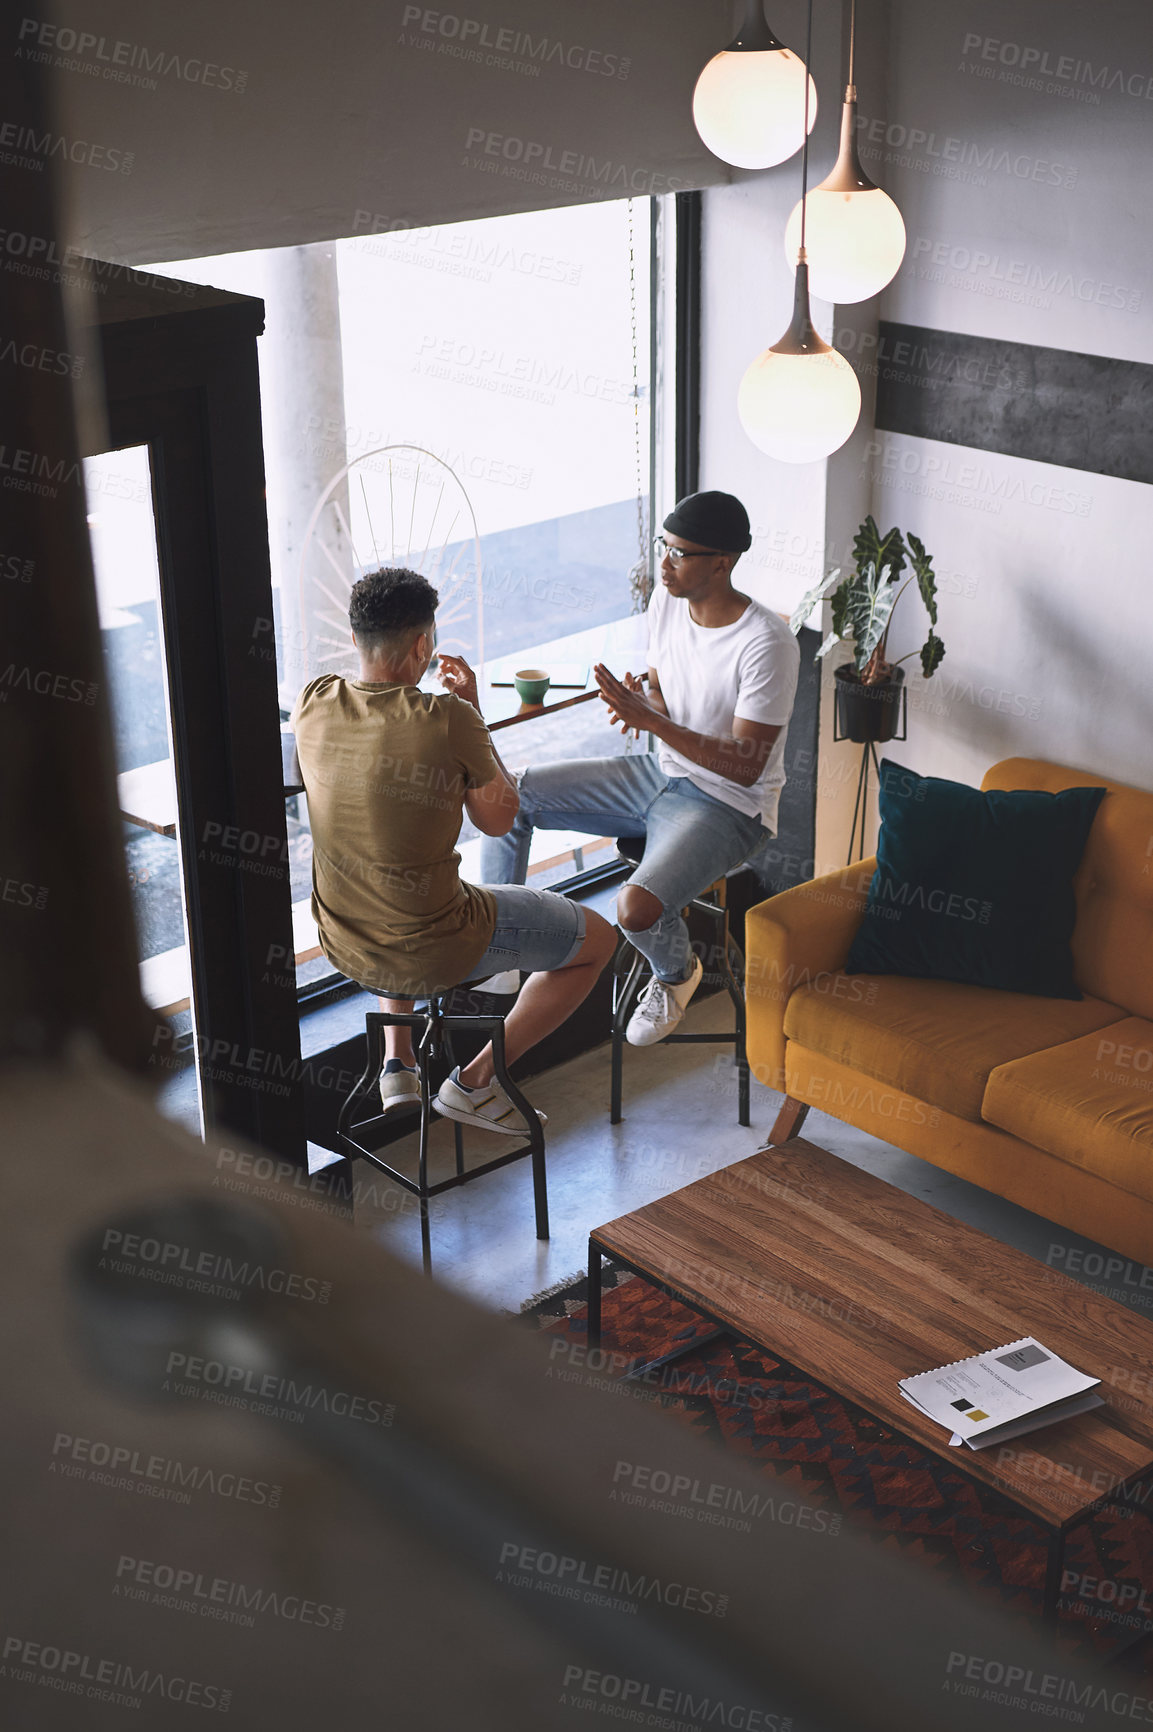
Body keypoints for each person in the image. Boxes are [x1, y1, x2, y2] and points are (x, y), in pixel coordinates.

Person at [291, 567, 616, 1131]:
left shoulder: (316, 701)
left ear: (354, 639)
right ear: (423, 645)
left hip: (342, 940)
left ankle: (399, 1060)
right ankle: (474, 1082)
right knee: (599, 941)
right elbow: (499, 820)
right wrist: (472, 714)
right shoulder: (448, 719)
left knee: (393, 871)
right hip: (435, 946)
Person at [482, 490, 799, 1046]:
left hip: (730, 805)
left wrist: (653, 723)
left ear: (722, 562)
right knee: (513, 796)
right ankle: (501, 949)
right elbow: (662, 695)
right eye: (664, 547)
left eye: (680, 553)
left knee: (633, 907)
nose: (665, 563)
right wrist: (644, 706)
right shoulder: (667, 602)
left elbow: (747, 766)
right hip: (659, 772)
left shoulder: (767, 643)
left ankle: (677, 975)